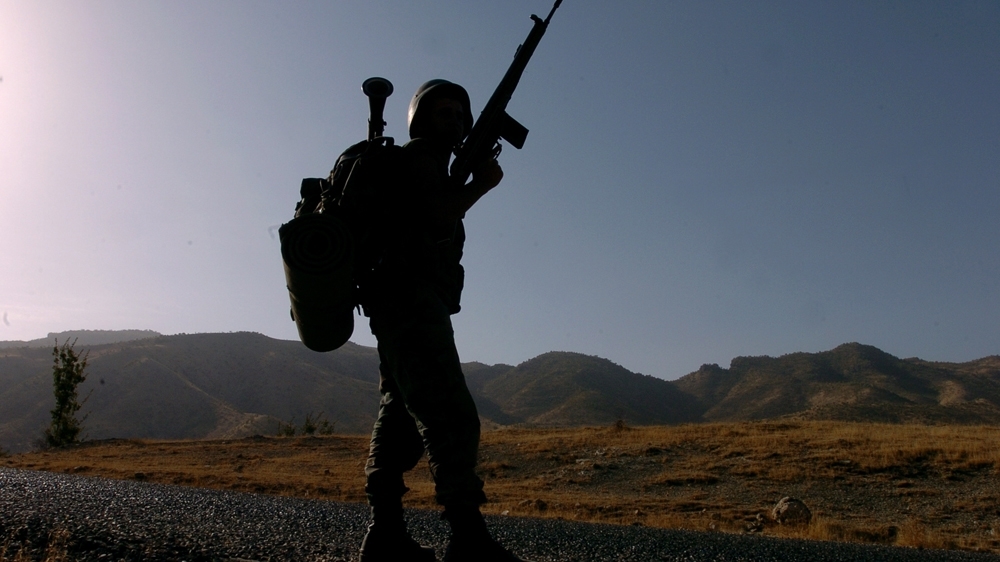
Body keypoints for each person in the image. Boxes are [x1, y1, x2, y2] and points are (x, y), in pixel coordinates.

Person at [356, 79, 527, 562]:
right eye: (443, 113)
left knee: (399, 417)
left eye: (460, 115)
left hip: (397, 303)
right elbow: (436, 216)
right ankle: (468, 539)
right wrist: (481, 185)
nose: (455, 121)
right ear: (421, 121)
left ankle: (385, 535)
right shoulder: (419, 158)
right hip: (410, 301)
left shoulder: (428, 165)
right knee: (450, 414)